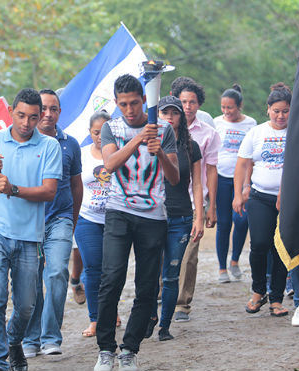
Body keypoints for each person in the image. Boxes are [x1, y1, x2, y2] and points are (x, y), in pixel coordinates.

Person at [0, 88, 62, 371]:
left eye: (33, 118)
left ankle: (14, 341)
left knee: (26, 305)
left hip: (29, 236)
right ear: (11, 112)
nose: (26, 123)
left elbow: (49, 192)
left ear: (40, 117)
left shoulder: (49, 146)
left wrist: (14, 189)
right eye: (21, 115)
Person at [93, 74, 179, 371]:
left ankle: (129, 350)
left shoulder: (164, 130)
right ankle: (106, 349)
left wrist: (160, 155)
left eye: (134, 103)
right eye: (123, 104)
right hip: (118, 210)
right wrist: (139, 138)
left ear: (144, 99)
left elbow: (175, 177)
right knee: (111, 280)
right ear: (116, 104)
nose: (129, 109)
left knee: (145, 287)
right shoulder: (110, 128)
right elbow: (109, 164)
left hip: (153, 216)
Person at [22, 89, 82, 357]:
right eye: (43, 108)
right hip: (29, 221)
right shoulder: (24, 142)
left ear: (60, 112)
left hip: (60, 219)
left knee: (57, 273)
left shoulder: (70, 143)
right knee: (31, 281)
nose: (48, 114)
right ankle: (31, 337)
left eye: (54, 109)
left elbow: (76, 185)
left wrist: (74, 218)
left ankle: (50, 337)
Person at [145, 95, 204, 342]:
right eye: (165, 113)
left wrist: (199, 217)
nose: (169, 117)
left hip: (180, 215)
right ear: (158, 116)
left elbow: (198, 185)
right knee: (148, 273)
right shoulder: (146, 143)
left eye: (175, 113)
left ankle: (165, 326)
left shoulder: (191, 147)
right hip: (151, 214)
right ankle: (148, 315)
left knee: (171, 273)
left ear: (182, 117)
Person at [233, 83, 292, 317]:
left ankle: (276, 298)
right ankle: (258, 291)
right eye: (276, 110)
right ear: (268, 109)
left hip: (289, 201)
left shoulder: (298, 133)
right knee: (259, 244)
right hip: (259, 197)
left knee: (281, 247)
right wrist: (239, 194)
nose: (280, 115)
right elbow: (242, 164)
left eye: (285, 111)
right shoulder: (256, 133)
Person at [171, 77, 220, 323]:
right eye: (183, 102)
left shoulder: (208, 134)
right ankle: (162, 295)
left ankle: (182, 303)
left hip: (194, 200)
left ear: (199, 105)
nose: (188, 106)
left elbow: (211, 170)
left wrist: (211, 205)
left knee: (189, 254)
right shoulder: (162, 129)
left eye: (192, 102)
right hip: (165, 201)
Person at [73, 110, 117, 338]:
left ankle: (110, 311)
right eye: (96, 132)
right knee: (92, 267)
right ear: (90, 133)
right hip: (87, 218)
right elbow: (73, 185)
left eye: (105, 131)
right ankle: (95, 319)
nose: (100, 136)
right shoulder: (81, 154)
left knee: (113, 270)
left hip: (116, 219)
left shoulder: (121, 152)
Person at [213, 84, 256, 283]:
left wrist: (247, 184)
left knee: (241, 220)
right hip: (221, 178)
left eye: (230, 107)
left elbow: (252, 157)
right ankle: (222, 268)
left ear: (240, 106)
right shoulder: (216, 123)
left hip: (242, 180)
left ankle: (235, 260)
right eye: (223, 107)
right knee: (223, 223)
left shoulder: (250, 124)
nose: (226, 112)